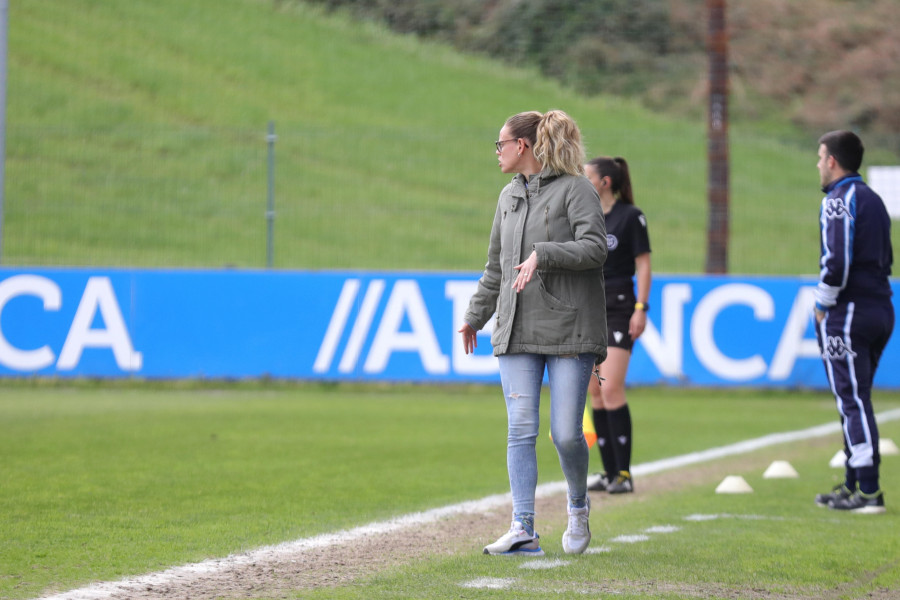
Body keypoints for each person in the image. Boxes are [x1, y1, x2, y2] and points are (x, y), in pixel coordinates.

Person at [459, 110, 608, 555]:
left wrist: (544, 253)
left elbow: (596, 248)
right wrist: (475, 316)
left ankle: (578, 507)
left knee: (565, 434)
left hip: (570, 328)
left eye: (501, 144)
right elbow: (495, 267)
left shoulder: (577, 189)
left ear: (522, 146)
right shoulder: (507, 196)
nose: (497, 152)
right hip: (517, 328)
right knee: (520, 429)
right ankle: (523, 527)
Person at [811, 130, 893, 514]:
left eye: (820, 156)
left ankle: (868, 490)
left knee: (852, 399)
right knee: (857, 397)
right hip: (881, 308)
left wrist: (823, 302)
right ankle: (853, 482)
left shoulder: (838, 202)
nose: (817, 164)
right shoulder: (873, 199)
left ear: (832, 161)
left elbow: (837, 260)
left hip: (850, 312)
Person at [582, 157, 651, 495]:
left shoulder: (631, 217)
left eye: (587, 175)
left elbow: (644, 265)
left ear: (605, 182)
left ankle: (624, 473)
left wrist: (641, 307)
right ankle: (609, 473)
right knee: (594, 391)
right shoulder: (586, 215)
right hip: (590, 308)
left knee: (610, 388)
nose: (582, 178)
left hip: (621, 308)